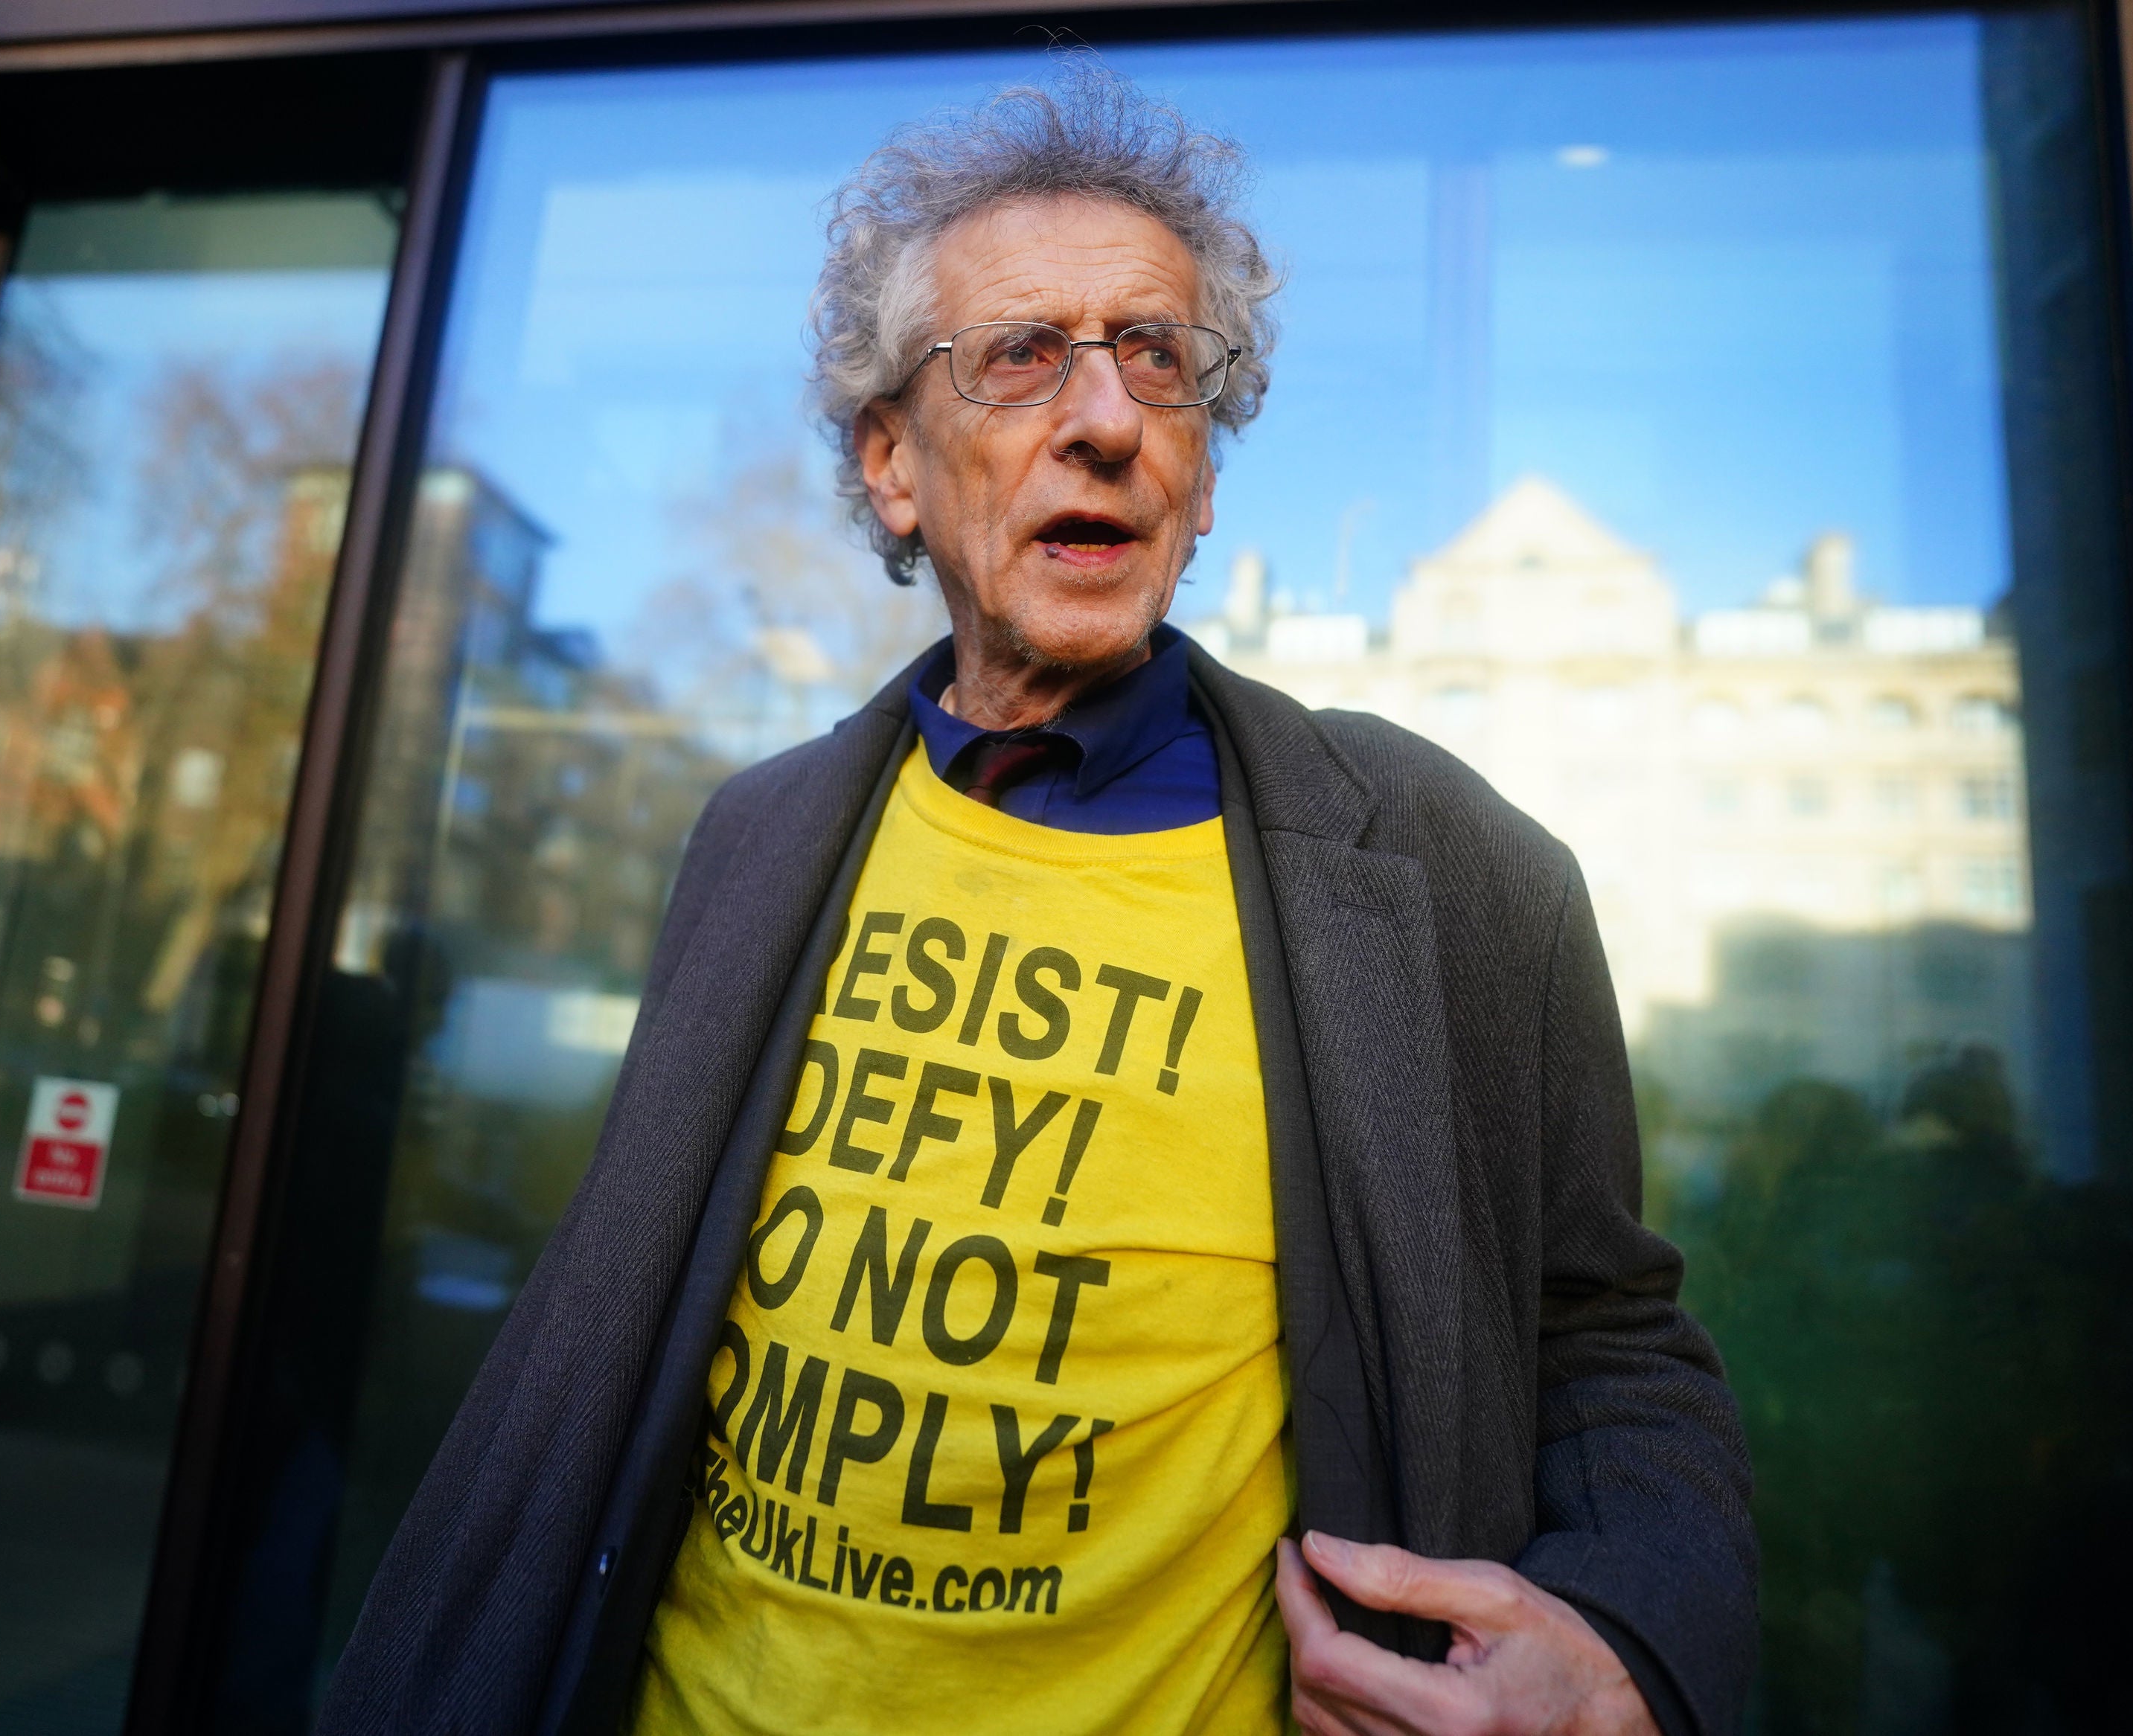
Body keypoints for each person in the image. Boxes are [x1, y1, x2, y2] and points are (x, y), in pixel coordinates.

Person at [322, 66, 1755, 1736]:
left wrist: (1628, 1652)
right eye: (1019, 357)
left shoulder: (1448, 871)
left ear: (1203, 474)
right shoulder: (757, 839)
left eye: (1157, 358)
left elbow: (1608, 1342)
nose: (1106, 417)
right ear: (892, 465)